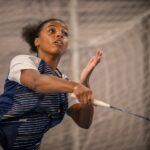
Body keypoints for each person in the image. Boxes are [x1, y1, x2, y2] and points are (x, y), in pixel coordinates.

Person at [0, 18, 103, 150]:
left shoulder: (63, 83)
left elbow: (84, 122)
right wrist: (75, 86)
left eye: (65, 33)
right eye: (51, 30)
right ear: (37, 41)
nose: (60, 35)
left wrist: (84, 82)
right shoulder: (24, 61)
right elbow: (36, 82)